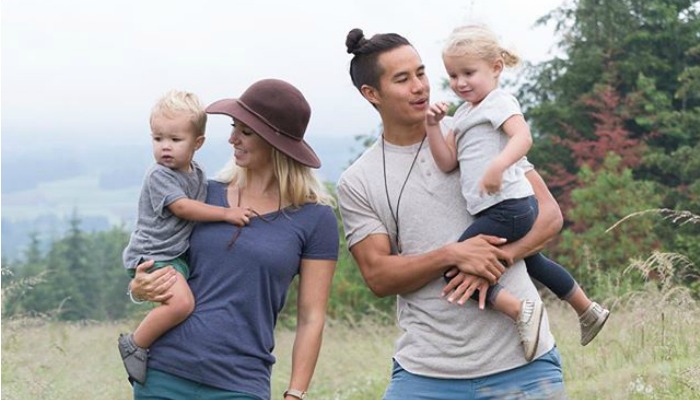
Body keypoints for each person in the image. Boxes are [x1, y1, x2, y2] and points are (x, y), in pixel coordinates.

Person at [337, 28, 567, 398]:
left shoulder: (477, 126)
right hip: (424, 374)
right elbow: (379, 276)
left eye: (421, 73)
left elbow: (549, 216)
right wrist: (452, 254)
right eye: (403, 79)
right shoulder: (358, 181)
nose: (420, 87)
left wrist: (497, 258)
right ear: (371, 94)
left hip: (522, 364)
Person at [125, 79, 339, 400]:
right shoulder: (202, 194)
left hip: (240, 382)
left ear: (276, 142)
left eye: (246, 131)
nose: (232, 138)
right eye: (234, 127)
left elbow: (311, 316)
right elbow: (156, 249)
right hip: (164, 372)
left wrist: (296, 392)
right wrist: (138, 290)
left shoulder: (314, 219)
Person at [425, 25, 610, 360]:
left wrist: (498, 166)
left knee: (453, 264)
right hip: (501, 210)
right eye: (453, 75)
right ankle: (588, 309)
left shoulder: (499, 102)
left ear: (496, 68)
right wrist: (432, 126)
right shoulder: (464, 114)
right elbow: (446, 161)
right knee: (534, 261)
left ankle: (520, 310)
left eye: (469, 72)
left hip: (508, 206)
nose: (460, 82)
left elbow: (523, 138)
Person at [118, 90, 251, 385]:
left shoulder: (197, 173)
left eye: (175, 140)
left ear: (198, 143)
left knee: (184, 302)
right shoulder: (159, 175)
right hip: (154, 254)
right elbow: (183, 207)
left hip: (173, 253)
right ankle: (135, 343)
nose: (165, 147)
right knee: (181, 305)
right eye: (158, 138)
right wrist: (226, 214)